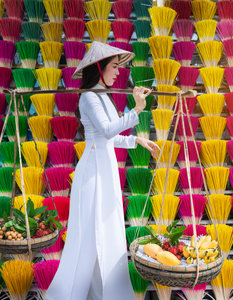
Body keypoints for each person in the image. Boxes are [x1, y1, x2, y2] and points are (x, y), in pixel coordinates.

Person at [46, 42, 159, 300]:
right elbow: (108, 130)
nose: (119, 72)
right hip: (93, 175)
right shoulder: (89, 98)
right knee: (87, 235)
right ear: (99, 68)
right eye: (114, 66)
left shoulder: (103, 97)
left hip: (105, 172)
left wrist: (136, 141)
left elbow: (109, 137)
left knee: (108, 231)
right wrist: (138, 108)